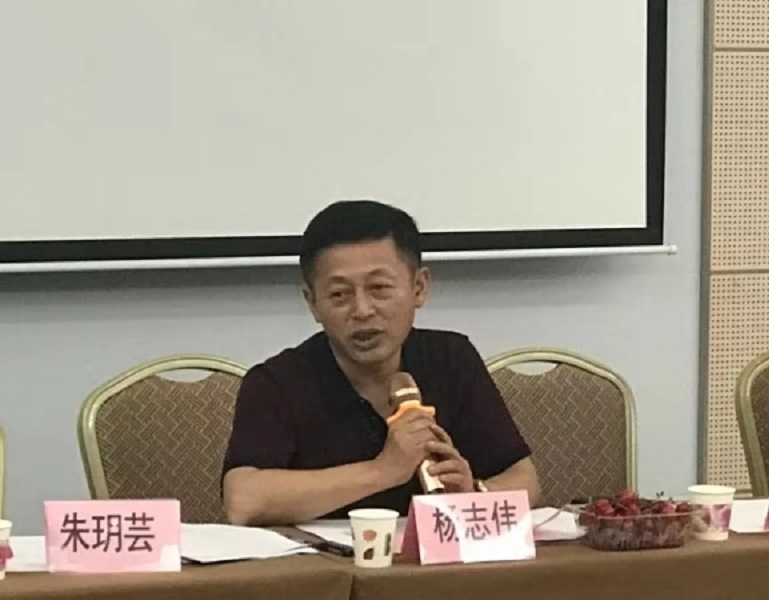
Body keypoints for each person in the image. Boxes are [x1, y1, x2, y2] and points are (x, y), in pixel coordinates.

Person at [222, 200, 540, 526]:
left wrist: (474, 494)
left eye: (379, 288)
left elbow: (523, 479)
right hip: (321, 559)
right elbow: (243, 501)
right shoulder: (277, 382)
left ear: (418, 288)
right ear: (312, 303)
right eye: (340, 294)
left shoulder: (451, 358)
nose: (362, 310)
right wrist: (384, 470)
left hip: (432, 556)